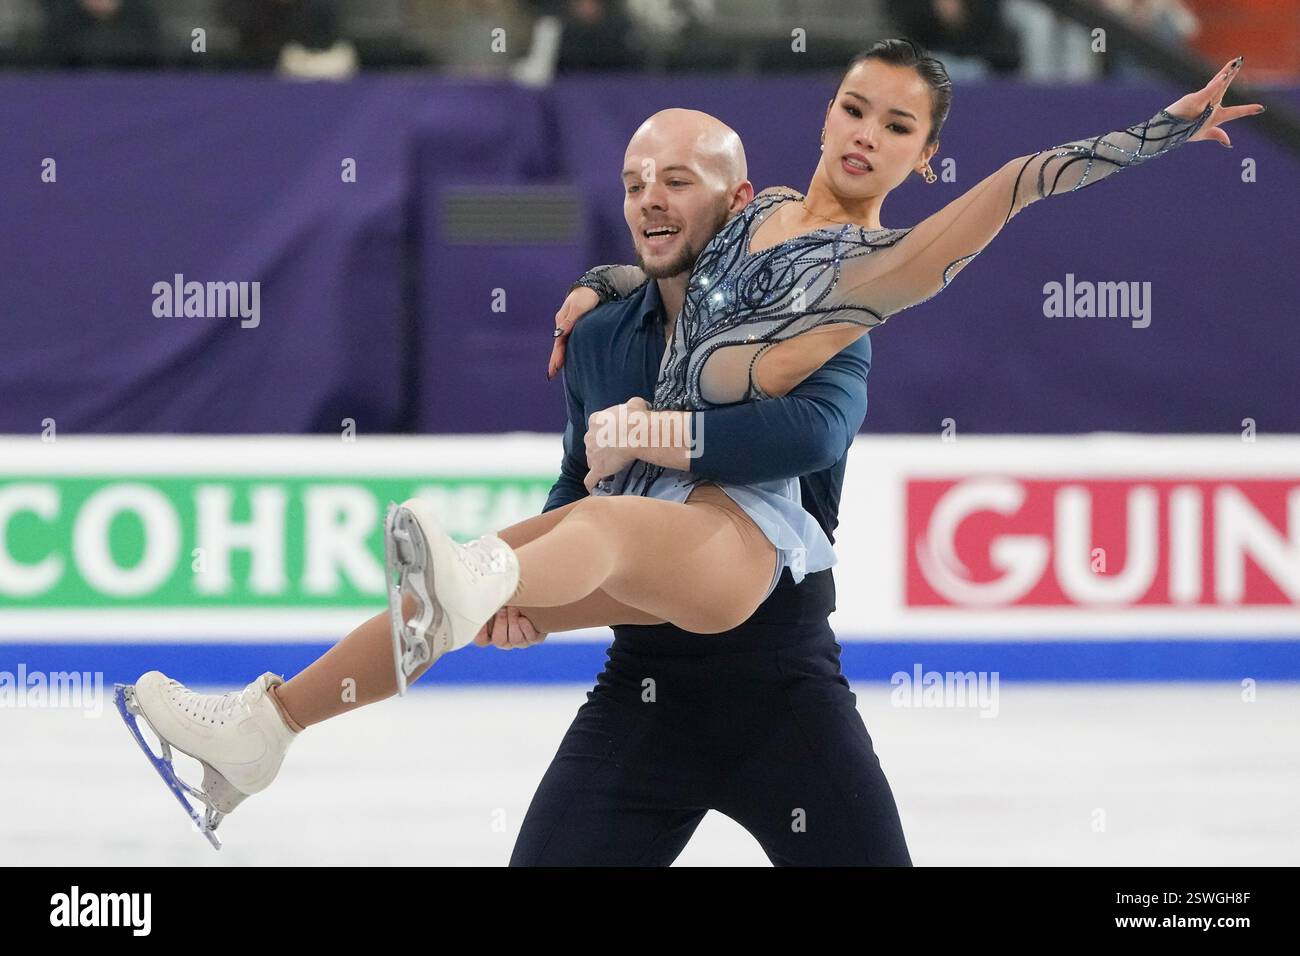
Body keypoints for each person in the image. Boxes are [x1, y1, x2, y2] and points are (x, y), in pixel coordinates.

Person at [118, 39, 1261, 856]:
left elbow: (1017, 186)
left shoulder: (879, 272)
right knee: (553, 537)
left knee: (581, 529)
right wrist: (597, 283)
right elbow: (670, 268)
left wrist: (1160, 127)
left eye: (898, 127)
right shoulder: (752, 207)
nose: (867, 134)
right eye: (856, 108)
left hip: (756, 605)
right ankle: (266, 726)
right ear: (830, 112)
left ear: (924, 157)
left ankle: (480, 577)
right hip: (648, 668)